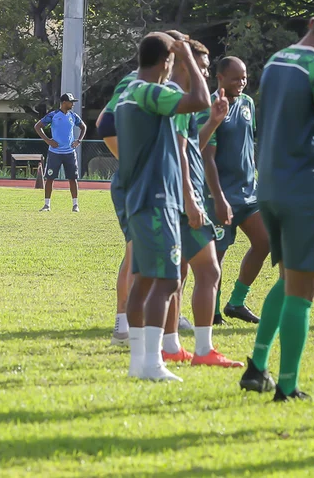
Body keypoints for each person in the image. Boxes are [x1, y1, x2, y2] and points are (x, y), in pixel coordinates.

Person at [238, 0, 314, 401]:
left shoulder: (274, 63)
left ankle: (256, 367)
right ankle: (286, 387)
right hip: (303, 187)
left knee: (288, 279)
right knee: (303, 289)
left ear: (310, 23)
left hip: (267, 187)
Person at [117, 31, 210, 382]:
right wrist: (187, 54)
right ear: (165, 61)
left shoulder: (129, 93)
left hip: (142, 198)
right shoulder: (148, 91)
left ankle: (139, 363)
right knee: (168, 280)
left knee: (143, 282)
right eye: (173, 61)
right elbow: (199, 99)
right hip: (156, 198)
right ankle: (154, 363)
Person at [168, 39, 242, 368]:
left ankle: (170, 345)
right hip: (182, 199)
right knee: (204, 271)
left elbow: (190, 148)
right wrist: (189, 198)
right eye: (202, 64)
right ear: (183, 63)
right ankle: (200, 350)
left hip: (182, 196)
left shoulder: (186, 104)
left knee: (173, 275)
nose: (206, 71)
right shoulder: (175, 99)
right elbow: (179, 155)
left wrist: (212, 122)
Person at [200, 57, 271, 326]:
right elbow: (208, 157)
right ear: (219, 77)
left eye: (244, 78)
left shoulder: (248, 103)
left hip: (248, 194)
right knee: (216, 256)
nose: (241, 83)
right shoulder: (211, 105)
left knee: (265, 242)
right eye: (235, 78)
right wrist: (218, 198)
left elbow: (247, 145)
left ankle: (236, 302)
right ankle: (214, 313)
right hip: (220, 195)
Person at [97, 70, 138, 346]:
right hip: (139, 181)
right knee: (137, 251)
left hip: (155, 180)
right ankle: (125, 324)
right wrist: (129, 160)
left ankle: (127, 325)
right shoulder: (141, 81)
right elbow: (104, 123)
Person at [35, 93, 86, 212]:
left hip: (69, 153)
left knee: (72, 178)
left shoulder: (73, 116)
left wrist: (78, 141)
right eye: (70, 102)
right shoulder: (53, 115)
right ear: (64, 102)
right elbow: (38, 126)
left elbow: (83, 127)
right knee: (50, 178)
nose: (72, 104)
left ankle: (75, 205)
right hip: (55, 153)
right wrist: (48, 140)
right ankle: (47, 205)